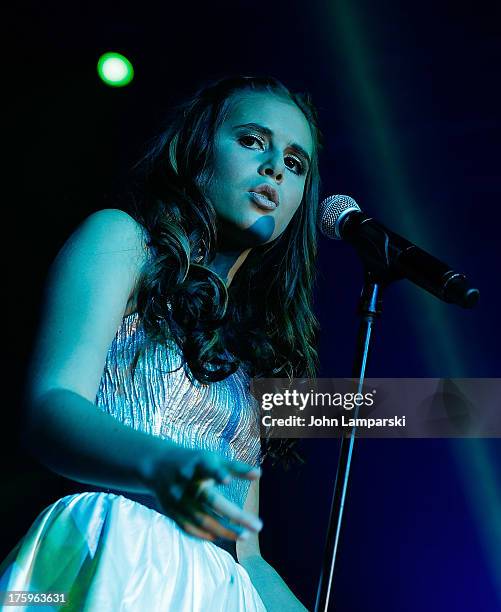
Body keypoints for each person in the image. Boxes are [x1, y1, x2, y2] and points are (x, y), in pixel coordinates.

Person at [0, 75, 321, 611]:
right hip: (114, 556)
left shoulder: (250, 358)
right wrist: (161, 462)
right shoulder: (123, 242)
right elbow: (49, 407)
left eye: (295, 163)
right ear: (198, 149)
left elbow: (248, 554)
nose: (274, 168)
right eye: (251, 141)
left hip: (214, 592)